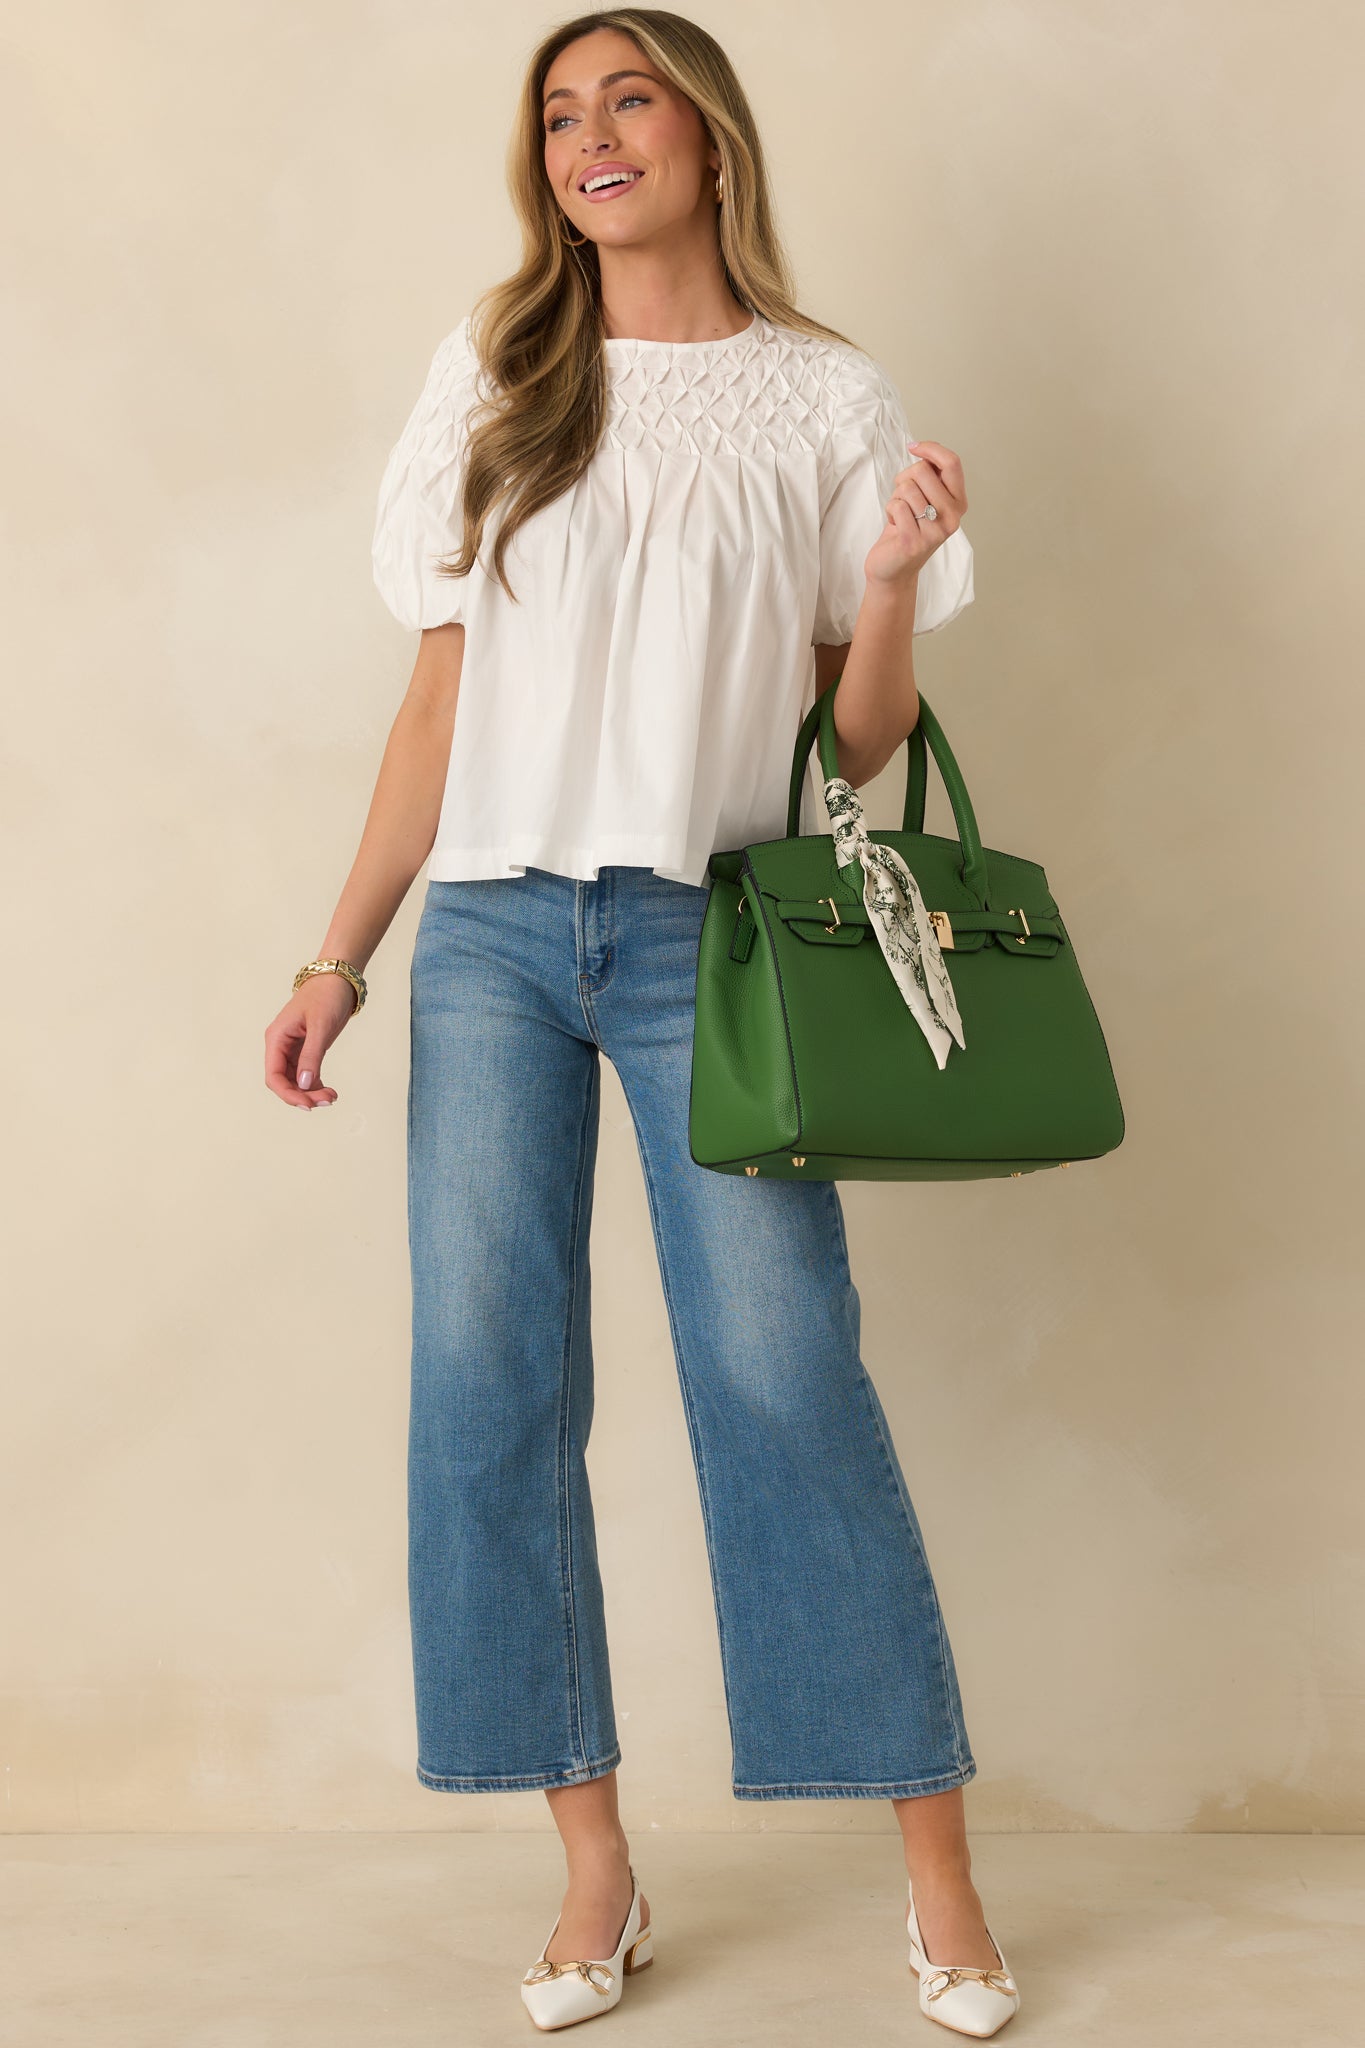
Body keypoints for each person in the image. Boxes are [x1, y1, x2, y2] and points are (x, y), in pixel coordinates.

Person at [264, 8, 1019, 2036]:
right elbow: (438, 702)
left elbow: (846, 747)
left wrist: (883, 580)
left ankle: (938, 1880)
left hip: (716, 939)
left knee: (784, 1382)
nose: (588, 137)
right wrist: (341, 950)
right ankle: (594, 1869)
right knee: (482, 1387)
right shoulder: (497, 371)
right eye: (555, 113)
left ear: (705, 135)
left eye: (625, 99)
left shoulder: (822, 396)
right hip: (495, 941)